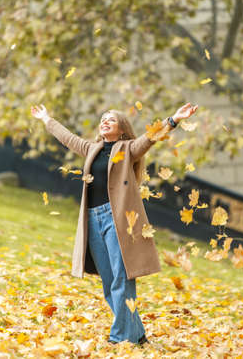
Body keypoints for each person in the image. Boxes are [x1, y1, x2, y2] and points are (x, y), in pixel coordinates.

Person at [31, 102, 198, 345]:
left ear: (122, 130)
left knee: (122, 279)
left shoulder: (128, 148)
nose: (105, 121)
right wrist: (47, 119)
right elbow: (67, 138)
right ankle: (138, 335)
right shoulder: (92, 148)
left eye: (111, 119)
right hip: (92, 220)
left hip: (118, 219)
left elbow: (150, 138)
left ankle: (119, 338)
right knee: (109, 284)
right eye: (103, 119)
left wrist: (174, 119)